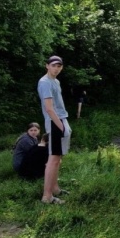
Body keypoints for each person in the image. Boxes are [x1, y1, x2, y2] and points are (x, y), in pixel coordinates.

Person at [37, 55, 72, 204]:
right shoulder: (45, 82)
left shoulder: (56, 81)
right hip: (54, 122)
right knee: (53, 159)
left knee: (58, 159)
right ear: (47, 66)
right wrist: (62, 127)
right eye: (53, 65)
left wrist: (64, 125)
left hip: (61, 120)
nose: (56, 68)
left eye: (59, 66)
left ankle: (55, 188)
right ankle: (47, 196)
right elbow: (49, 109)